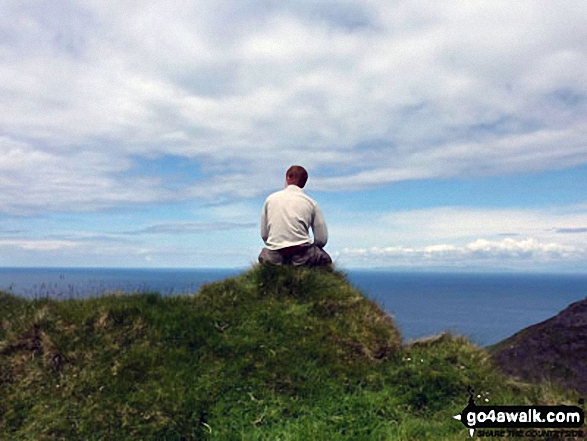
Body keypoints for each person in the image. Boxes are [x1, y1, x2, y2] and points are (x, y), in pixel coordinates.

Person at [258, 165, 332, 267]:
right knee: (325, 259)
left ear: (288, 177)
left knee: (264, 254)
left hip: (274, 256)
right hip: (302, 255)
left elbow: (264, 235)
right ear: (304, 182)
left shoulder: (270, 199)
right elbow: (321, 240)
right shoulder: (311, 203)